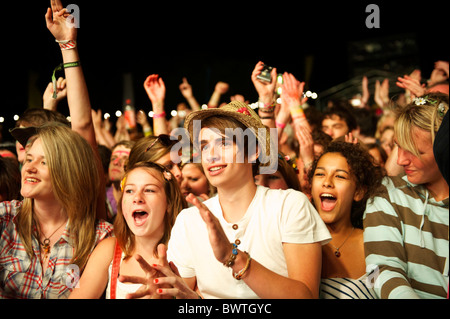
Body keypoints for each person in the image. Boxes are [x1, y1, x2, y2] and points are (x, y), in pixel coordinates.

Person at [141, 100, 330, 299]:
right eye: (204, 146)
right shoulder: (189, 220)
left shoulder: (289, 205)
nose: (211, 156)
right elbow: (184, 297)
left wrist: (235, 258)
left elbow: (306, 297)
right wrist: (163, 295)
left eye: (223, 143)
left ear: (254, 150)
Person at [1, 123, 113, 298]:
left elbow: (84, 124)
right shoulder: (5, 218)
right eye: (29, 159)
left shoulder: (99, 237)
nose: (29, 167)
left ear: (70, 172)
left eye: (44, 162)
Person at [363, 92, 449, 299]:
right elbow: (374, 273)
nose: (401, 160)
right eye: (398, 146)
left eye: (414, 151)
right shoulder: (387, 194)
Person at [69, 161, 186, 299]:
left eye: (149, 190)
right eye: (129, 190)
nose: (137, 198)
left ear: (169, 203)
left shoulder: (184, 254)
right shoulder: (109, 249)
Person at [308, 140, 384, 298]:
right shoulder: (297, 240)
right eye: (320, 174)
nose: (327, 182)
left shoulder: (372, 245)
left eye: (340, 176)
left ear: (359, 192)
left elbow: (375, 290)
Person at [106, 140, 135, 221]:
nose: (116, 162)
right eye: (113, 158)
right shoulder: (99, 199)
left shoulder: (138, 201)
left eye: (125, 159)